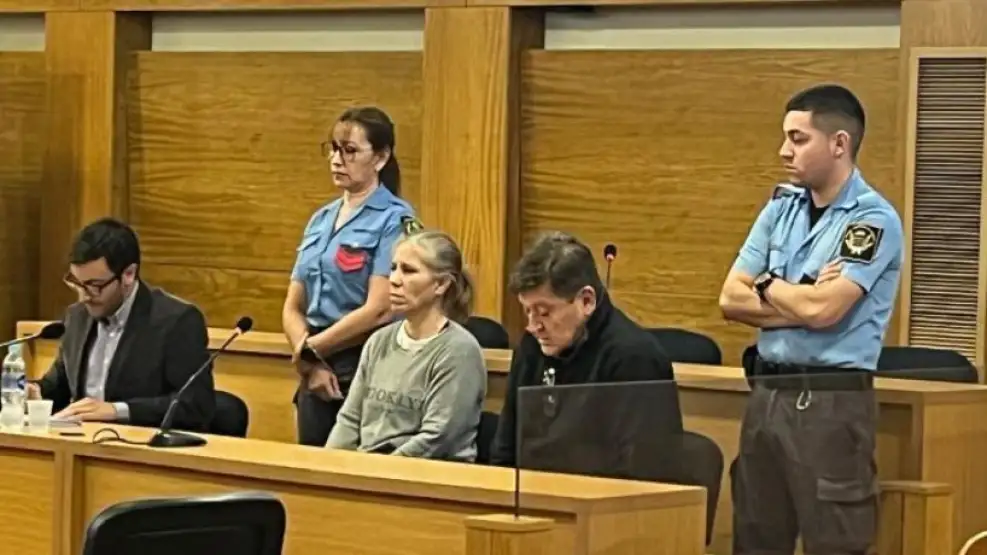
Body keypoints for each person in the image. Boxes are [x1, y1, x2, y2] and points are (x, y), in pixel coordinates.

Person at [718, 84, 903, 555]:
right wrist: (801, 299)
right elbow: (730, 299)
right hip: (766, 395)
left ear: (839, 143)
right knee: (755, 536)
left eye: (798, 139)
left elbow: (824, 310)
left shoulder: (872, 220)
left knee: (833, 541)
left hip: (830, 401)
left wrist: (767, 283)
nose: (784, 151)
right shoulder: (781, 208)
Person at [489, 231, 679, 469]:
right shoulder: (531, 345)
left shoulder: (635, 359)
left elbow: (643, 470)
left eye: (544, 312)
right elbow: (505, 449)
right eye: (527, 311)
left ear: (586, 301)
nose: (533, 326)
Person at [283, 106, 415, 447]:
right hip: (315, 358)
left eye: (350, 150)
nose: (336, 159)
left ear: (381, 157)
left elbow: (381, 308)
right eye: (333, 148)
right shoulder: (321, 219)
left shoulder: (395, 219)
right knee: (310, 462)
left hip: (364, 360)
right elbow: (293, 305)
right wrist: (308, 357)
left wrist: (311, 352)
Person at [27, 218, 215, 430]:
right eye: (77, 284)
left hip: (138, 444)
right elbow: (59, 386)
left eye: (95, 286)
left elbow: (195, 405)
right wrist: (34, 392)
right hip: (80, 442)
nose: (84, 297)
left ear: (128, 274)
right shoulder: (77, 317)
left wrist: (117, 411)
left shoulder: (176, 321)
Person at [325, 230, 486, 460]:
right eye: (393, 268)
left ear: (441, 284)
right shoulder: (379, 340)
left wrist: (376, 472)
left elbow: (436, 437)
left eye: (408, 271)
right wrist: (332, 465)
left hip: (424, 474)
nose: (394, 280)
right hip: (369, 468)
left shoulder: (460, 351)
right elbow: (350, 420)